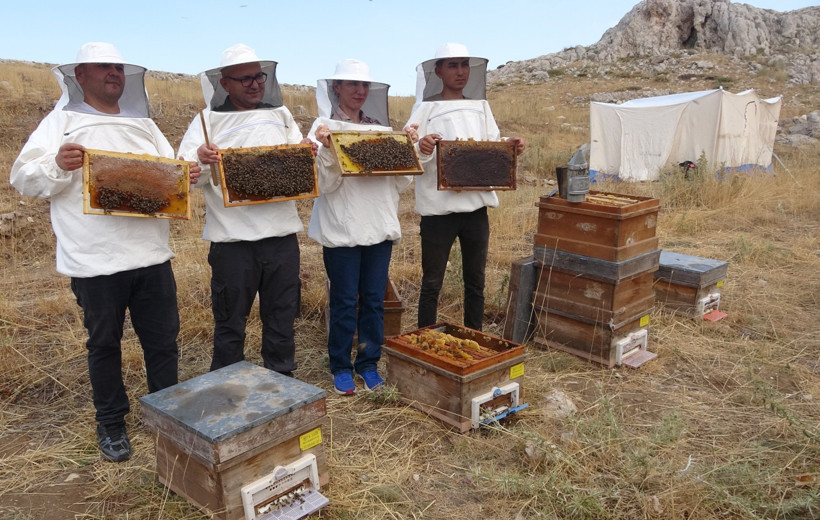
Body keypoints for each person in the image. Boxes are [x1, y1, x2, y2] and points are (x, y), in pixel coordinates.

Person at [9, 42, 201, 463]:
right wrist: (58, 163)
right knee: (104, 345)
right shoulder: (60, 122)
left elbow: (172, 178)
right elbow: (24, 178)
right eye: (104, 66)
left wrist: (186, 174)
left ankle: (166, 416)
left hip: (151, 256)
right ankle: (111, 424)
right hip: (94, 260)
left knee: (163, 344)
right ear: (80, 75)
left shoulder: (144, 125)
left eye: (119, 67)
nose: (114, 73)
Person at [178, 44, 310, 377]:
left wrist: (306, 152)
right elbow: (186, 175)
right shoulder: (206, 122)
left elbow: (299, 163)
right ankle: (227, 388)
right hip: (233, 243)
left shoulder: (281, 115)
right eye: (245, 79)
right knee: (230, 323)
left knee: (281, 318)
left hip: (281, 238)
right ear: (225, 83)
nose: (254, 84)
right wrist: (201, 159)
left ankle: (282, 383)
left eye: (259, 76)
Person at [309, 59, 418, 394]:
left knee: (373, 300)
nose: (359, 91)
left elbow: (399, 186)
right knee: (343, 300)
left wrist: (409, 149)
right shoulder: (321, 128)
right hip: (341, 231)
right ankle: (340, 366)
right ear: (336, 88)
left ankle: (369, 364)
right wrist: (327, 149)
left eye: (364, 85)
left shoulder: (382, 132)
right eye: (351, 84)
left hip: (379, 229)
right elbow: (322, 186)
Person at [406, 43, 526, 331]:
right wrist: (422, 147)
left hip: (475, 210)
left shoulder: (481, 106)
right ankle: (426, 341)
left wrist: (511, 146)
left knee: (476, 282)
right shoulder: (424, 107)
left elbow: (492, 144)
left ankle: (474, 336)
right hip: (438, 212)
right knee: (432, 283)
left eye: (464, 65)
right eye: (452, 65)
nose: (460, 72)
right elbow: (410, 152)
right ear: (438, 71)